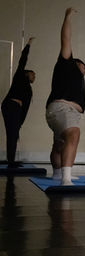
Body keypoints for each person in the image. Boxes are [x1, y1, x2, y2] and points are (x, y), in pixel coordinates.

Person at [46, 8, 85, 185]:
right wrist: (67, 17)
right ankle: (66, 179)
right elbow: (66, 39)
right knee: (74, 134)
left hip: (59, 112)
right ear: (77, 64)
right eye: (84, 68)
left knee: (60, 144)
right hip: (63, 109)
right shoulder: (67, 64)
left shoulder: (73, 74)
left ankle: (57, 173)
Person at [2, 37, 36, 167]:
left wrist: (20, 123)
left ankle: (11, 159)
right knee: (12, 133)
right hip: (10, 105)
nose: (34, 77)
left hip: (15, 109)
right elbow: (23, 60)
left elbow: (25, 107)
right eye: (33, 74)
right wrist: (28, 45)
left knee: (13, 133)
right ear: (26, 73)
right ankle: (11, 161)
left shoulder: (28, 89)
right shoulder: (20, 75)